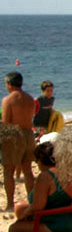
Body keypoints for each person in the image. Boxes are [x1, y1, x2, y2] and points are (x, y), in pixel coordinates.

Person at [8, 142, 72, 232]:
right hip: (70, 219)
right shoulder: (65, 171)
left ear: (40, 161)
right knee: (22, 212)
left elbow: (37, 207)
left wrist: (24, 216)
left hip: (57, 224)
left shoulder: (45, 177)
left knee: (14, 229)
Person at [1, 72, 36, 209]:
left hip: (14, 135)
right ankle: (31, 201)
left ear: (9, 84)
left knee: (8, 171)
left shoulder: (8, 100)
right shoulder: (29, 99)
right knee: (28, 170)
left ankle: (10, 203)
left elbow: (6, 123)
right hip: (28, 134)